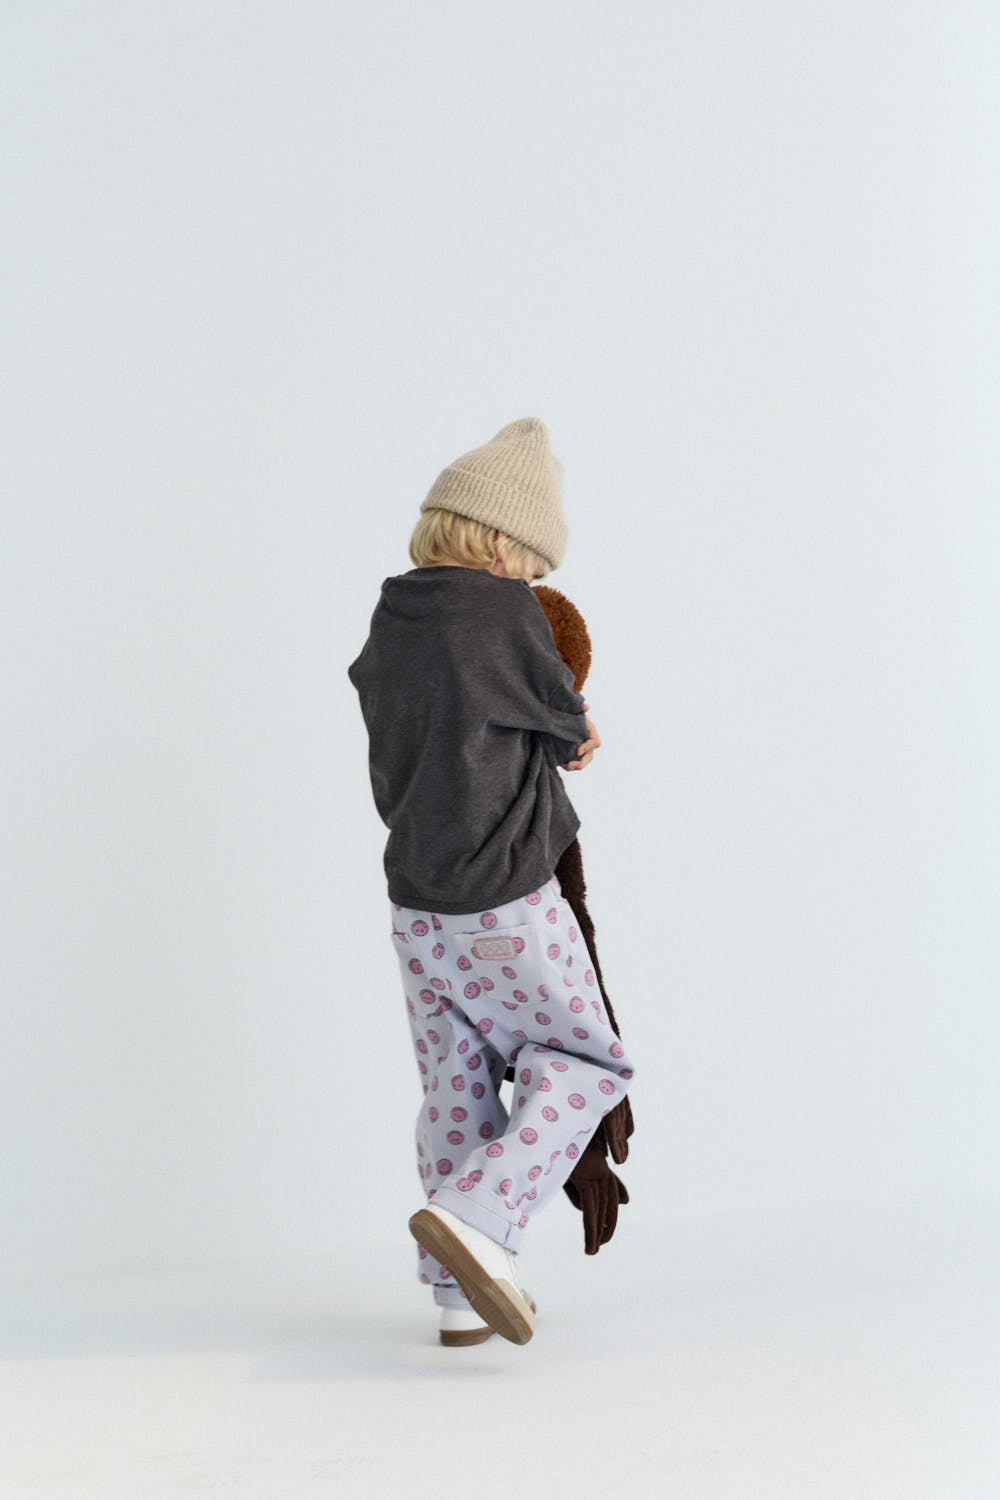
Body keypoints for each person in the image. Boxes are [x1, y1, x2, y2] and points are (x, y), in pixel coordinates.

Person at [347, 417, 636, 1347]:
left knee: (457, 1083)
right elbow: (565, 723)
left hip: (418, 907)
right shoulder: (503, 612)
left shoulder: (394, 613)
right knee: (587, 1064)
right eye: (537, 564)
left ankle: (458, 1296)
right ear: (503, 542)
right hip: (507, 899)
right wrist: (579, 728)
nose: (536, 580)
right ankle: (481, 1215)